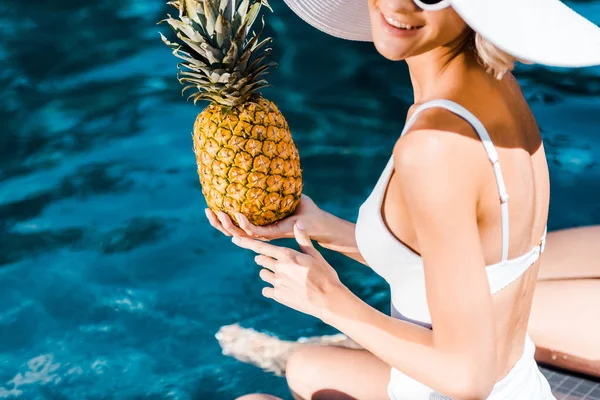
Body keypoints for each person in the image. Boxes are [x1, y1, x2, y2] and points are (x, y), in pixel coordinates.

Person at [205, 0, 600, 398]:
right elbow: (451, 261)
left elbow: (467, 378)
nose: (397, 4)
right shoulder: (491, 91)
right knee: (308, 366)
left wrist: (328, 300)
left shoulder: (433, 147)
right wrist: (322, 228)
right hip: (519, 387)